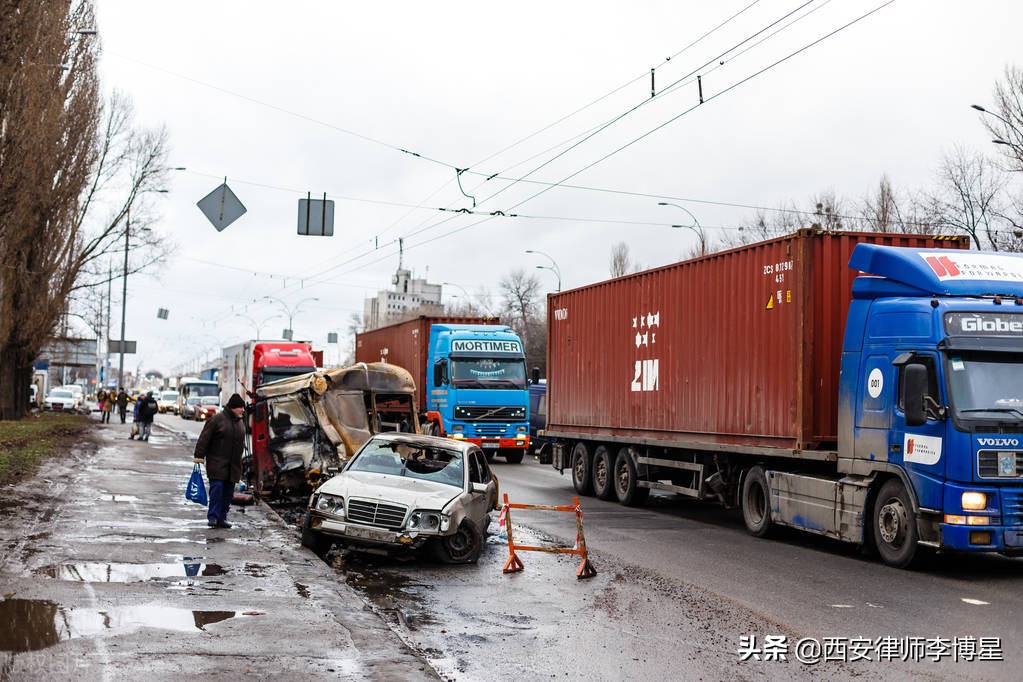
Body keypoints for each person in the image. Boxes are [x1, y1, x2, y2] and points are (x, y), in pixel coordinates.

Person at [192, 394, 246, 529]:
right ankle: (213, 517)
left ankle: (222, 518)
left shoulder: (239, 422)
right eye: (240, 407)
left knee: (228, 494)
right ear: (233, 407)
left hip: (233, 466)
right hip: (217, 463)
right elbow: (204, 439)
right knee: (217, 491)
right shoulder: (217, 420)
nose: (243, 410)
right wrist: (199, 456)